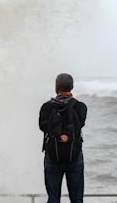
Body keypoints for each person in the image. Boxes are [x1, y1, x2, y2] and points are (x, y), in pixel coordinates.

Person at [39, 73, 87, 203]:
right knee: (77, 199)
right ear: (72, 87)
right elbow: (80, 125)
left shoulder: (46, 107)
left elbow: (43, 127)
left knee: (53, 199)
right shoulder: (80, 107)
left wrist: (58, 134)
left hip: (52, 156)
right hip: (74, 155)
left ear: (56, 87)